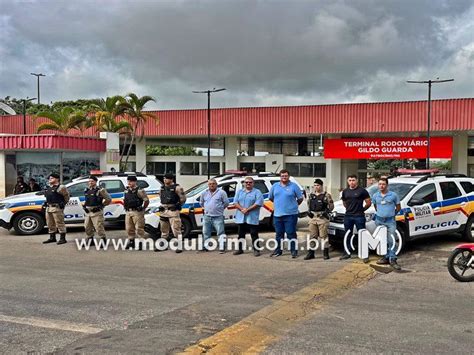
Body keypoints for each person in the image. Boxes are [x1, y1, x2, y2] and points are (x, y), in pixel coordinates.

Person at [269, 169, 304, 258]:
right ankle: (278, 251)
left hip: (291, 215)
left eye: (286, 176)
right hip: (277, 215)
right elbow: (271, 198)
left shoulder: (294, 186)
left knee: (290, 233)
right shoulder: (275, 186)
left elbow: (300, 198)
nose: (284, 177)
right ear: (280, 177)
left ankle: (293, 251)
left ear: (288, 176)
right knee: (279, 234)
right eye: (282, 176)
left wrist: (293, 206)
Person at [340, 175, 371, 260]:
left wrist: (362, 209)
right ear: (347, 181)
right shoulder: (345, 191)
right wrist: (349, 209)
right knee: (347, 234)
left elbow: (368, 203)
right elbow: (344, 202)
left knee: (362, 235)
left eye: (353, 180)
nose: (351, 182)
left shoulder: (362, 191)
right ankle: (347, 252)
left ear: (357, 181)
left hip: (359, 216)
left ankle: (365, 254)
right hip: (348, 216)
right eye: (350, 180)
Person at [373, 177, 402, 270]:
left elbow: (398, 208)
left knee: (391, 240)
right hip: (379, 220)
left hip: (390, 221)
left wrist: (392, 214)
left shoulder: (393, 195)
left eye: (383, 184)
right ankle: (385, 257)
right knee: (382, 240)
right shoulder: (375, 196)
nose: (381, 186)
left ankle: (393, 259)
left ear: (387, 185)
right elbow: (375, 206)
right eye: (380, 184)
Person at [233, 176, 264, 256]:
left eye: (250, 182)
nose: (248, 184)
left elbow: (258, 203)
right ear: (244, 183)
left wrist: (247, 210)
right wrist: (242, 209)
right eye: (246, 182)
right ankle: (240, 249)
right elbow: (235, 202)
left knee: (254, 234)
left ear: (253, 183)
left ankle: (256, 250)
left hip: (252, 217)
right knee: (240, 235)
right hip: (241, 217)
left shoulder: (257, 192)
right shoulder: (240, 192)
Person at [156, 173, 187, 253]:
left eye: (166, 178)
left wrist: (177, 205)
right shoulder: (162, 188)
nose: (165, 180)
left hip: (173, 210)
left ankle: (179, 246)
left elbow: (183, 199)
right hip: (164, 211)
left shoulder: (177, 188)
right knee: (163, 230)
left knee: (176, 229)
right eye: (164, 178)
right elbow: (161, 197)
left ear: (171, 179)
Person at [304, 179, 334, 260]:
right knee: (312, 236)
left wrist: (326, 212)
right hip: (313, 218)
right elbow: (309, 204)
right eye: (315, 185)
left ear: (321, 186)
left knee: (323, 236)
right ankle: (311, 253)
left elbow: (331, 207)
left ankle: (325, 253)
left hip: (322, 218)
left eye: (318, 185)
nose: (316, 187)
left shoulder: (326, 195)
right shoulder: (311, 195)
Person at [200, 179, 229, 252]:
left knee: (220, 232)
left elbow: (226, 203)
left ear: (216, 184)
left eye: (213, 184)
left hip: (218, 216)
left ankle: (222, 247)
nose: (212, 185)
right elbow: (201, 203)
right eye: (210, 184)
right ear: (208, 185)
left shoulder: (222, 192)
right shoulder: (204, 193)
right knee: (206, 232)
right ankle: (206, 247)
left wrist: (220, 209)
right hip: (207, 216)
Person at [82, 176, 111, 247]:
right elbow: (87, 200)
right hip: (88, 212)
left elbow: (108, 199)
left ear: (95, 182)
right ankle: (90, 240)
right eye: (89, 181)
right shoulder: (87, 190)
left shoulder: (100, 190)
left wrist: (101, 206)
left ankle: (103, 241)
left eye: (92, 181)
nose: (90, 183)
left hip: (97, 212)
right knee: (87, 227)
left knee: (99, 227)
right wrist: (84, 206)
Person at [42, 173, 70, 245]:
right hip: (49, 208)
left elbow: (66, 197)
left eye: (52, 178)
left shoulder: (61, 187)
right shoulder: (48, 187)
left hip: (57, 208)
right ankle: (52, 238)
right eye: (49, 178)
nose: (49, 179)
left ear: (57, 179)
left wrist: (62, 204)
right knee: (50, 223)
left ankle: (62, 238)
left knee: (59, 223)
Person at [124, 176, 149, 249]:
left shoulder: (140, 190)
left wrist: (143, 208)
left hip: (137, 212)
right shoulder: (126, 190)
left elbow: (146, 200)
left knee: (139, 228)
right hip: (128, 211)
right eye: (128, 181)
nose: (129, 183)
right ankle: (131, 242)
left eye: (131, 181)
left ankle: (141, 243)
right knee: (129, 228)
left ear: (135, 182)